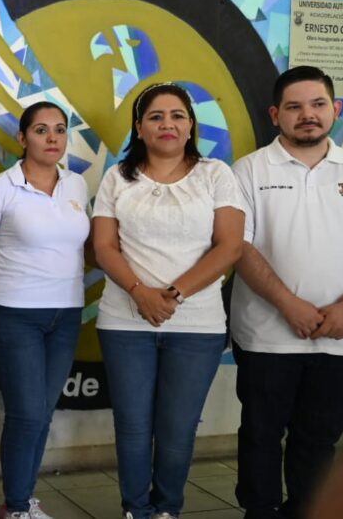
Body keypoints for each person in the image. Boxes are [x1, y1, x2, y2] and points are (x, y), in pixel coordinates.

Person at [91, 82, 245, 519]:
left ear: (191, 124)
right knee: (134, 429)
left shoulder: (216, 174)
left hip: (196, 324)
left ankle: (167, 510)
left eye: (177, 115)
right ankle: (135, 510)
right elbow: (104, 247)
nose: (167, 124)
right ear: (139, 128)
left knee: (177, 431)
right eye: (156, 116)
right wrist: (141, 294)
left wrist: (173, 295)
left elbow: (229, 247)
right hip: (125, 321)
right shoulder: (117, 177)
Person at [0, 101, 89, 519]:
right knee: (27, 413)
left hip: (66, 315)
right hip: (14, 314)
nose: (52, 138)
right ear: (22, 137)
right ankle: (16, 508)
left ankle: (23, 500)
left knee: (42, 412)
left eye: (60, 130)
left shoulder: (77, 186)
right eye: (41, 130)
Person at [229, 65, 343, 519]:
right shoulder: (248, 171)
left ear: (334, 110)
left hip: (338, 338)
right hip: (265, 336)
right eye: (294, 107)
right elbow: (238, 246)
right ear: (276, 114)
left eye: (318, 105)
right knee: (260, 436)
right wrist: (288, 304)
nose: (308, 115)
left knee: (318, 440)